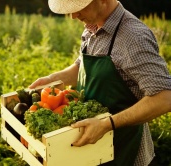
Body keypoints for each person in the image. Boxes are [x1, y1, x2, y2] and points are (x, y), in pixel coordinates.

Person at [29, 0, 171, 165]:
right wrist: (53, 79)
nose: (73, 16)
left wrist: (106, 124)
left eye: (78, 8)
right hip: (92, 149)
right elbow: (82, 66)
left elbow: (165, 97)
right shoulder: (93, 26)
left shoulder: (133, 37)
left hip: (124, 150)